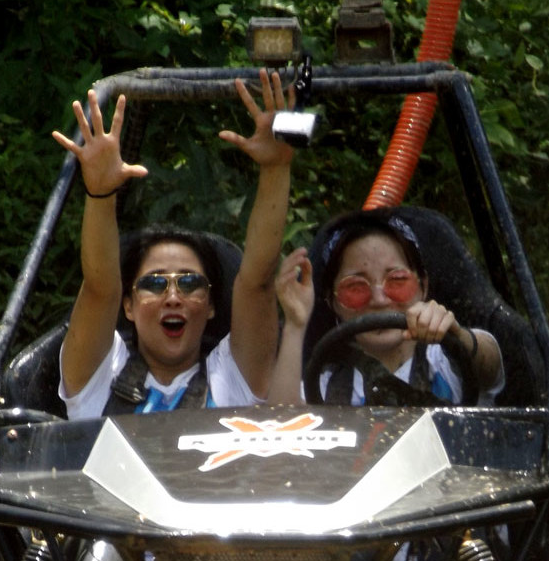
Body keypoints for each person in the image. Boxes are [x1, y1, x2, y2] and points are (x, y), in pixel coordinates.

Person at [50, 69, 295, 418]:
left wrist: (276, 168)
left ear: (211, 305)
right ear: (129, 307)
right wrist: (101, 193)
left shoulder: (232, 380)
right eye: (153, 283)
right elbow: (100, 286)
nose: (173, 297)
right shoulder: (100, 375)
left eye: (190, 282)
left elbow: (256, 281)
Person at [269, 208, 505, 406]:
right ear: (335, 303)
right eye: (356, 287)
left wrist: (459, 339)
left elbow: (490, 365)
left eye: (397, 281)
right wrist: (295, 324)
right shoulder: (324, 387)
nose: (379, 299)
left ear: (422, 287)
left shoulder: (448, 366)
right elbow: (282, 433)